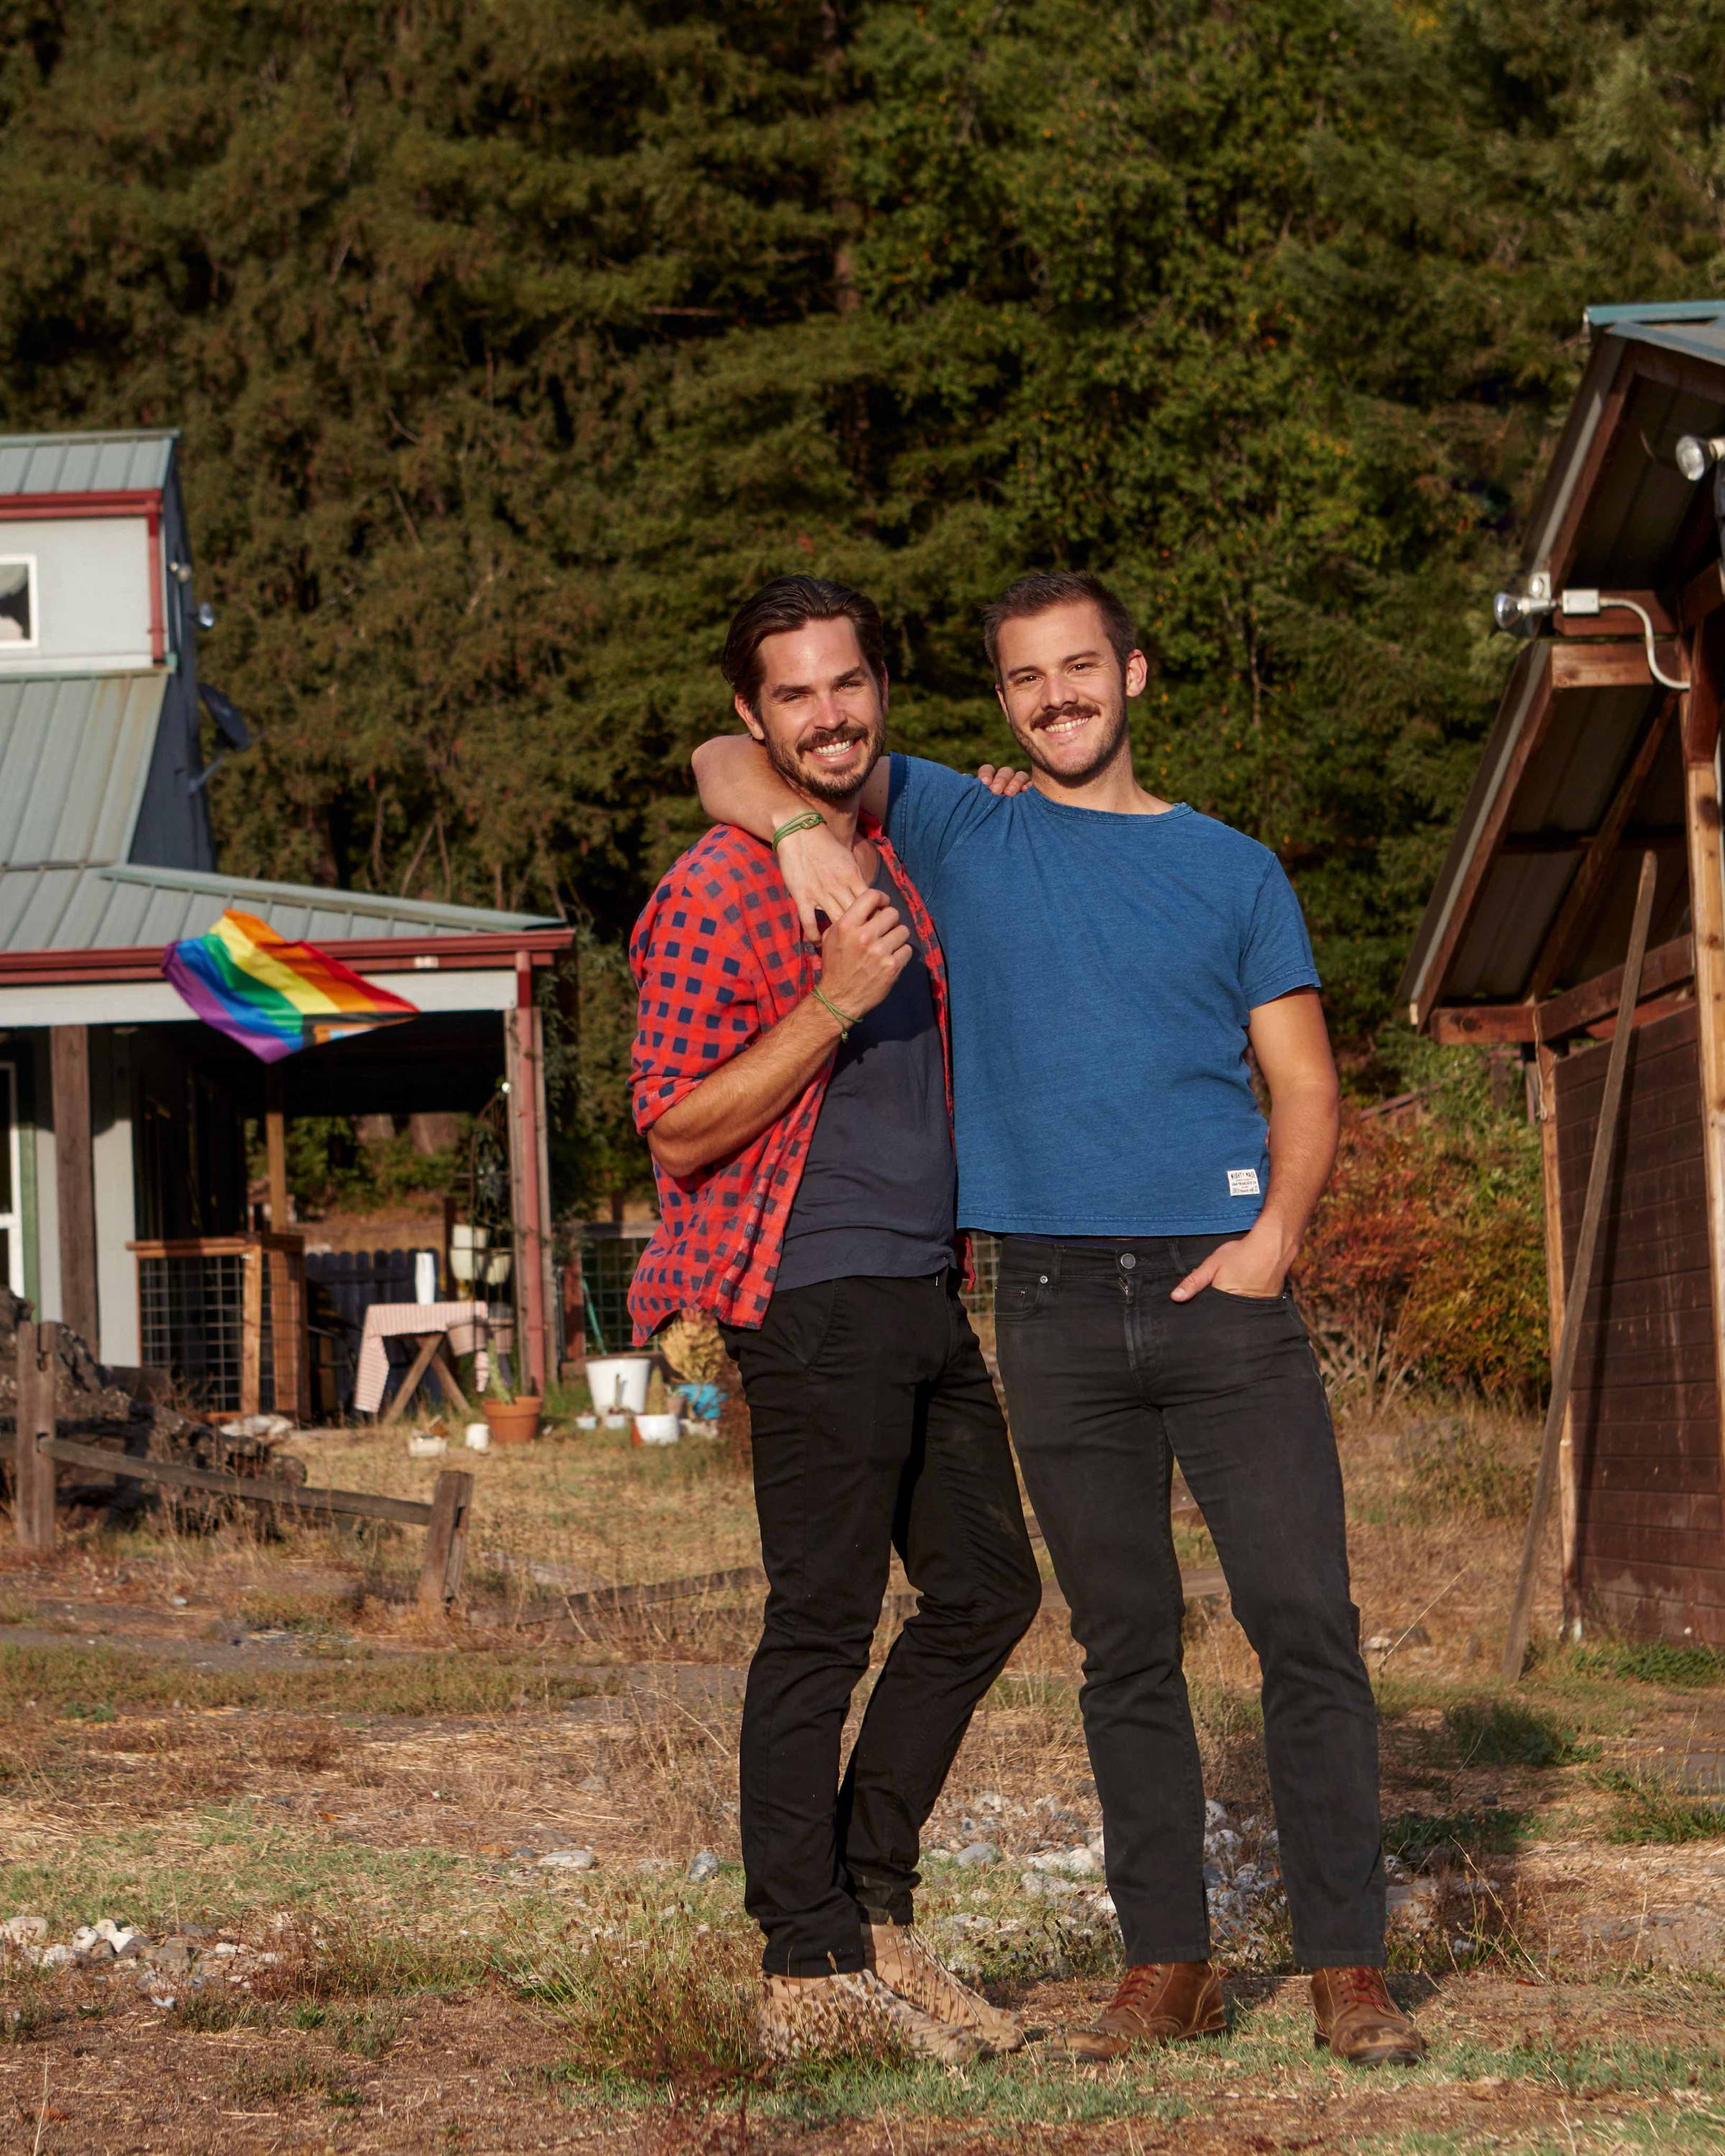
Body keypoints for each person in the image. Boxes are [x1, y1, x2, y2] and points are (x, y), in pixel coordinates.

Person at [691, 569, 1425, 2068]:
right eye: (1025, 680)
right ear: (1001, 702)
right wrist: (791, 840)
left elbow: (1304, 1080)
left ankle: (1349, 1964)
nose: (1055, 699)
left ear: (1136, 675)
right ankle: (1171, 1961)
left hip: (1226, 1294)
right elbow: (730, 754)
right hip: (1044, 1299)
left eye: (1079, 670)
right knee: (1124, 1645)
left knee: (1306, 1625)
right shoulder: (967, 826)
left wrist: (1278, 1236)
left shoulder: (1234, 869)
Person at [627, 574, 1042, 2065]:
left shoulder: (897, 861)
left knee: (990, 1590)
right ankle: (804, 1962)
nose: (830, 713)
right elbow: (672, 1131)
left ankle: (868, 1907)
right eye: (795, 693)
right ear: (753, 716)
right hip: (801, 1291)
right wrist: (831, 1000)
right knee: (821, 1619)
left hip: (924, 1286)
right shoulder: (716, 890)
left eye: (848, 682)